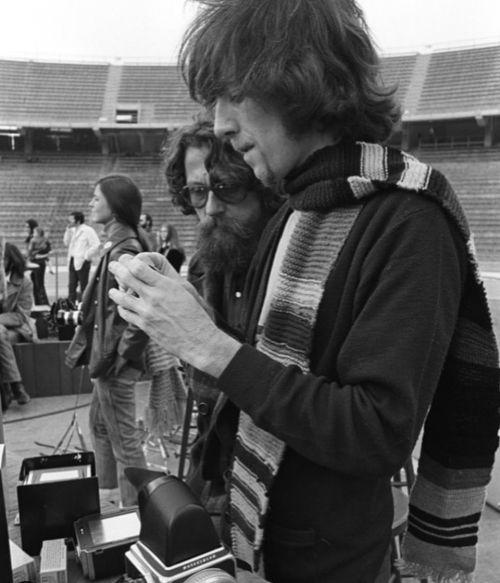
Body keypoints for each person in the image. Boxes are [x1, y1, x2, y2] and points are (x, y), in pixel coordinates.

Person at [108, 1, 500, 582]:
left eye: (234, 94)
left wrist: (212, 346)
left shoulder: (408, 221)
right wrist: (198, 330)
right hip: (257, 537)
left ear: (299, 79)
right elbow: (265, 371)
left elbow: (377, 433)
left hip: (334, 562)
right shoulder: (295, 211)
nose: (218, 124)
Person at [163, 115, 282, 527]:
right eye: (198, 191)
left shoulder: (297, 269)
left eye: (226, 187)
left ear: (264, 183)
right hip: (214, 465)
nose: (210, 208)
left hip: (286, 493)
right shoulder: (204, 264)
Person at [65, 175, 151, 508]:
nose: (91, 204)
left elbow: (141, 309)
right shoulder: (118, 244)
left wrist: (121, 355)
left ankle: (136, 514)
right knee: (100, 426)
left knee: (124, 441)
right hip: (107, 357)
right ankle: (111, 498)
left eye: (96, 198)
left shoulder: (126, 247)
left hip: (114, 360)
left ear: (114, 207)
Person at [0, 240, 34, 409]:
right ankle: (15, 386)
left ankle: (9, 388)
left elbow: (21, 316)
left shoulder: (24, 283)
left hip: (15, 328)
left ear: (10, 260)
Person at [63, 211, 100, 304]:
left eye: (72, 219)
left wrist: (86, 255)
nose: (70, 221)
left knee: (84, 285)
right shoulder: (72, 231)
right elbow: (66, 243)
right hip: (72, 260)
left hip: (82, 261)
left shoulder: (88, 230)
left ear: (78, 220)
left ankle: (84, 305)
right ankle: (70, 305)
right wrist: (67, 232)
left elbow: (96, 245)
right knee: (72, 285)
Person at [27, 226, 51, 305]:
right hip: (41, 262)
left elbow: (30, 252)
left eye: (34, 232)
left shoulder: (33, 241)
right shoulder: (45, 240)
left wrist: (30, 256)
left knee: (37, 283)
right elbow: (48, 251)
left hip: (35, 261)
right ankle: (42, 301)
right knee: (39, 283)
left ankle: (39, 301)